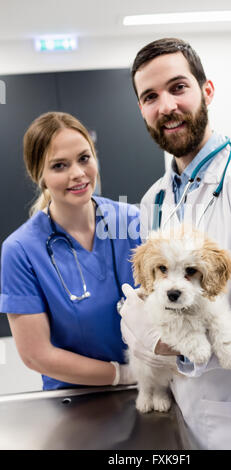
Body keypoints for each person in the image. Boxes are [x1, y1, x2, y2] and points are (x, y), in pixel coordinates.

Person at [120, 38, 231, 450]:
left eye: (178, 87)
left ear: (207, 91)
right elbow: (155, 288)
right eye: (150, 96)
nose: (165, 106)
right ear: (142, 110)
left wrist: (184, 348)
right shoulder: (155, 199)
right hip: (177, 417)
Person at [0, 111, 140, 390]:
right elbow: (35, 354)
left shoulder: (131, 221)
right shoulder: (20, 251)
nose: (78, 174)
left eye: (84, 158)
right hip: (74, 400)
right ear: (39, 175)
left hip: (146, 387)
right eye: (59, 166)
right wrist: (121, 375)